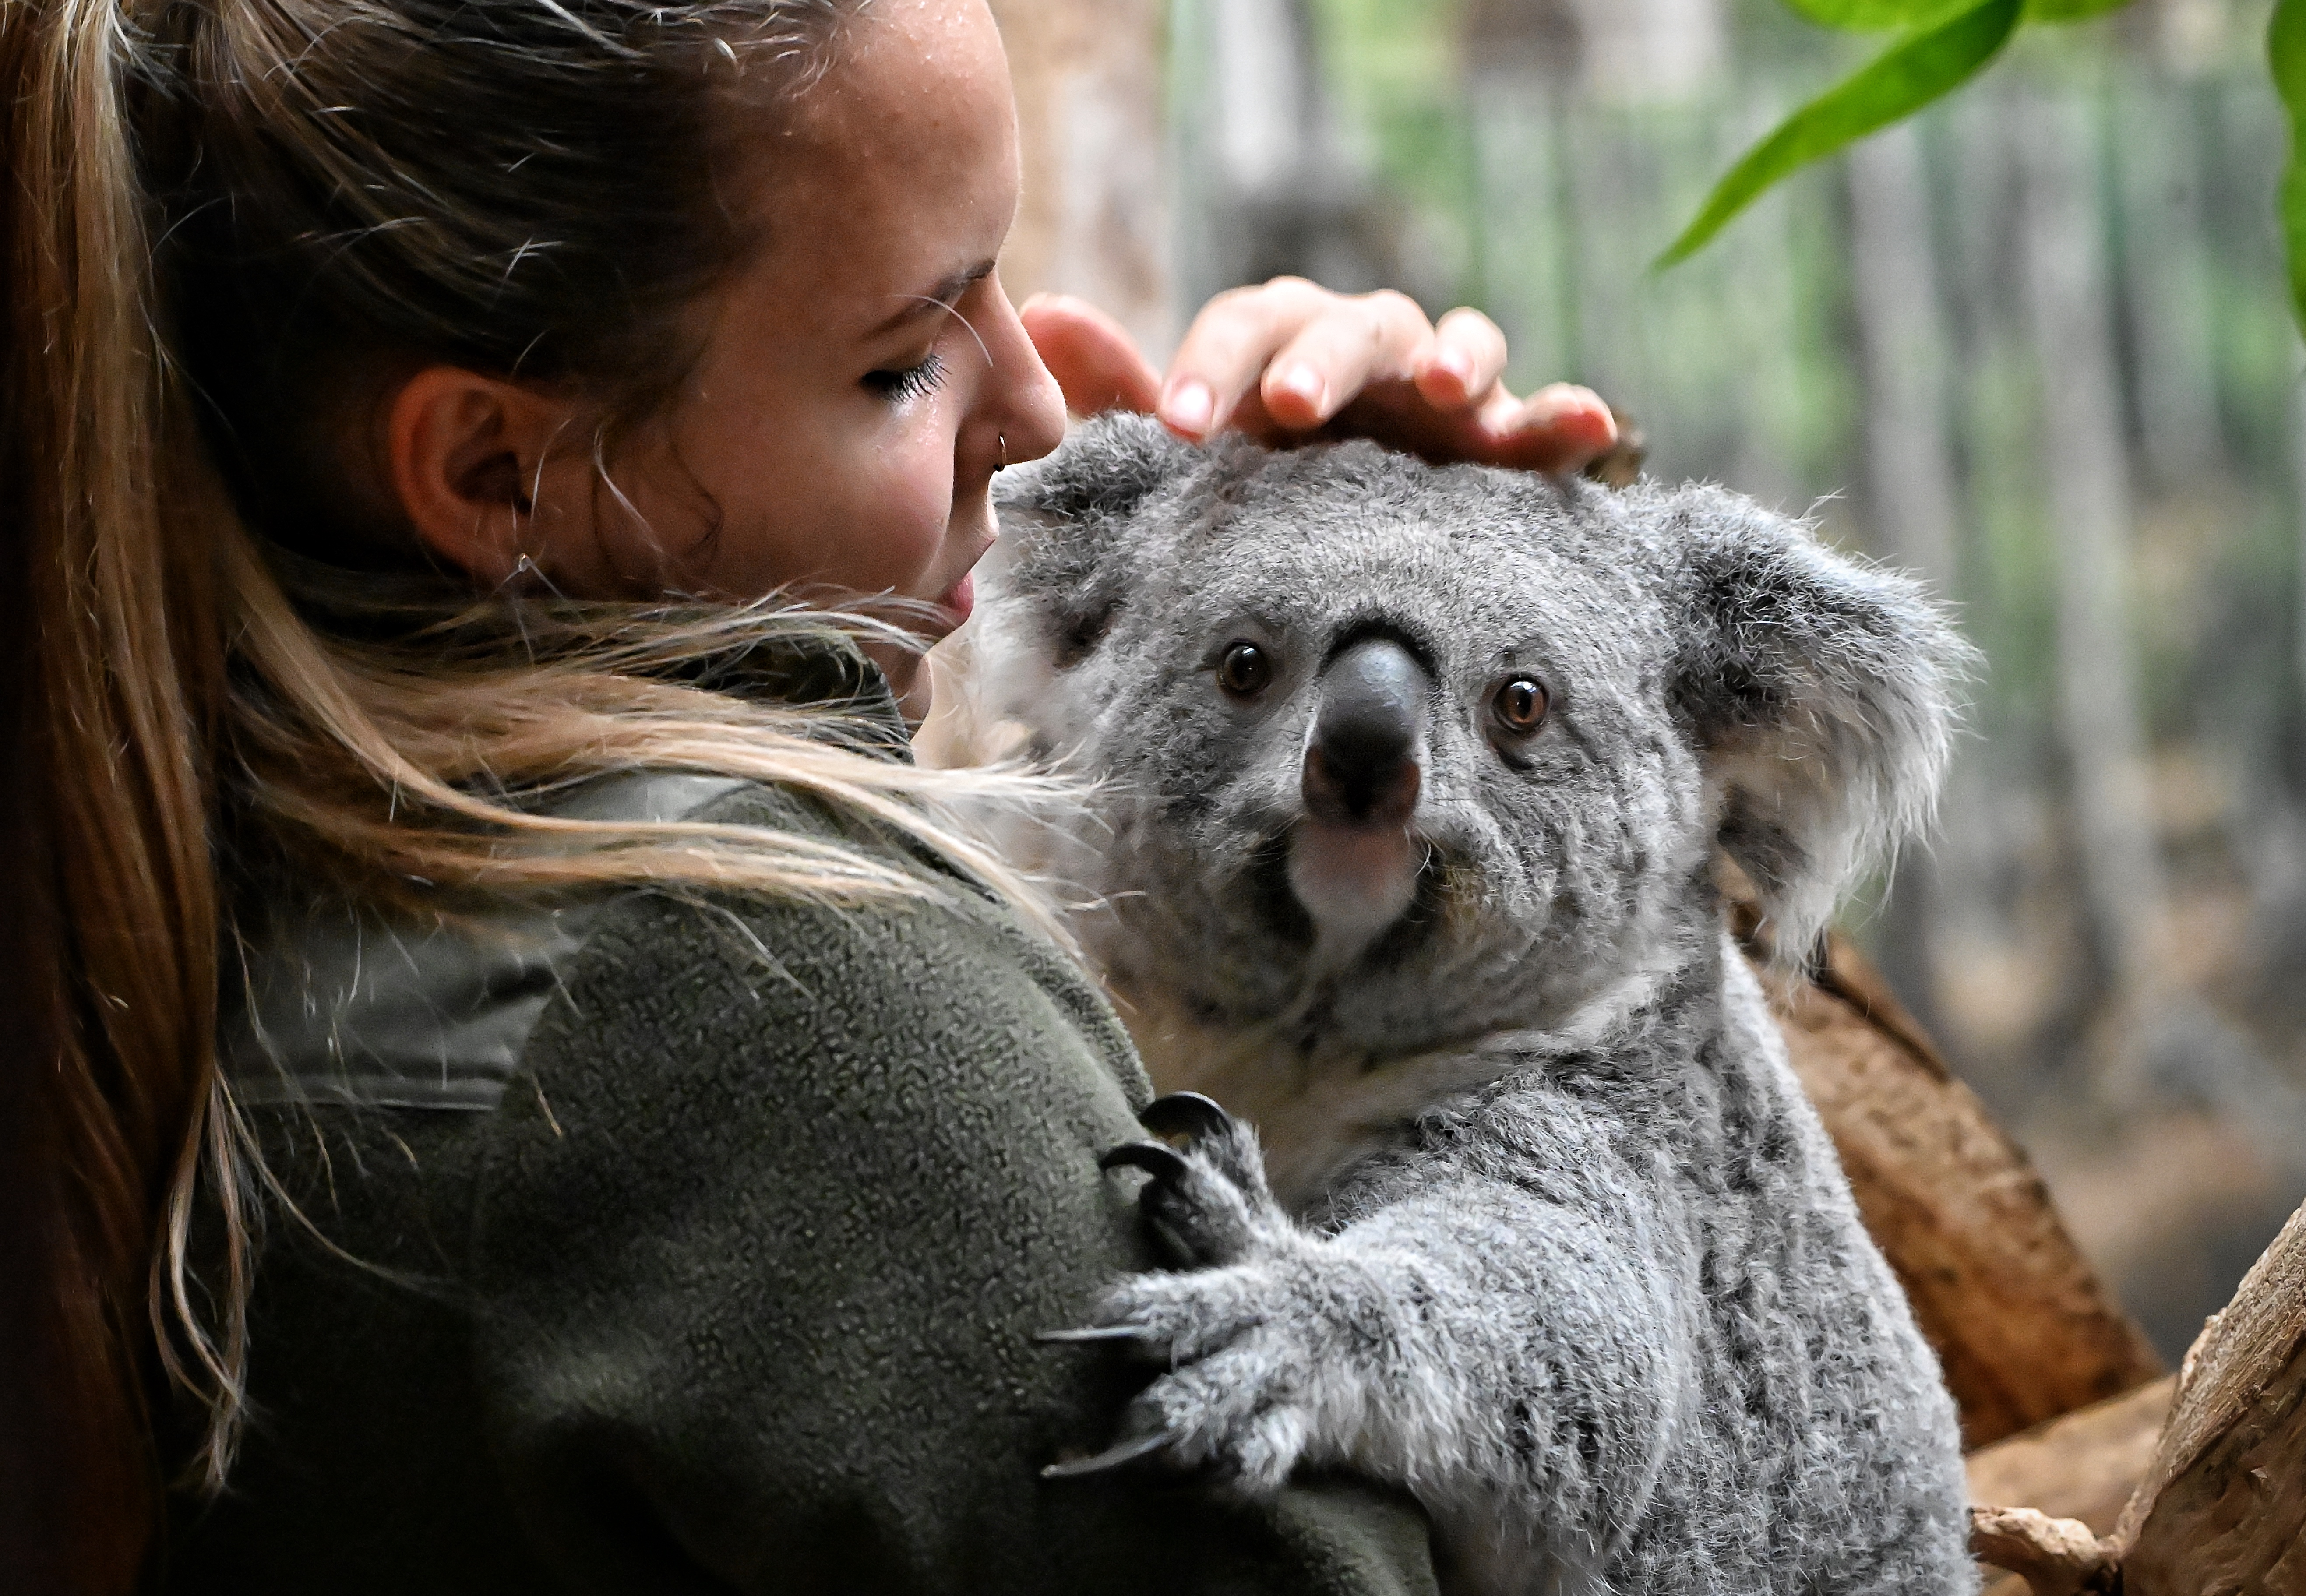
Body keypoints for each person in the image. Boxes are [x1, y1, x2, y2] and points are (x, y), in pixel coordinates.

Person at [0, 0, 1618, 1591]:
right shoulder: (757, 995)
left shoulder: (202, 818)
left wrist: (1367, 602)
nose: (1042, 410)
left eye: (1004, 272)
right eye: (905, 362)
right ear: (503, 473)